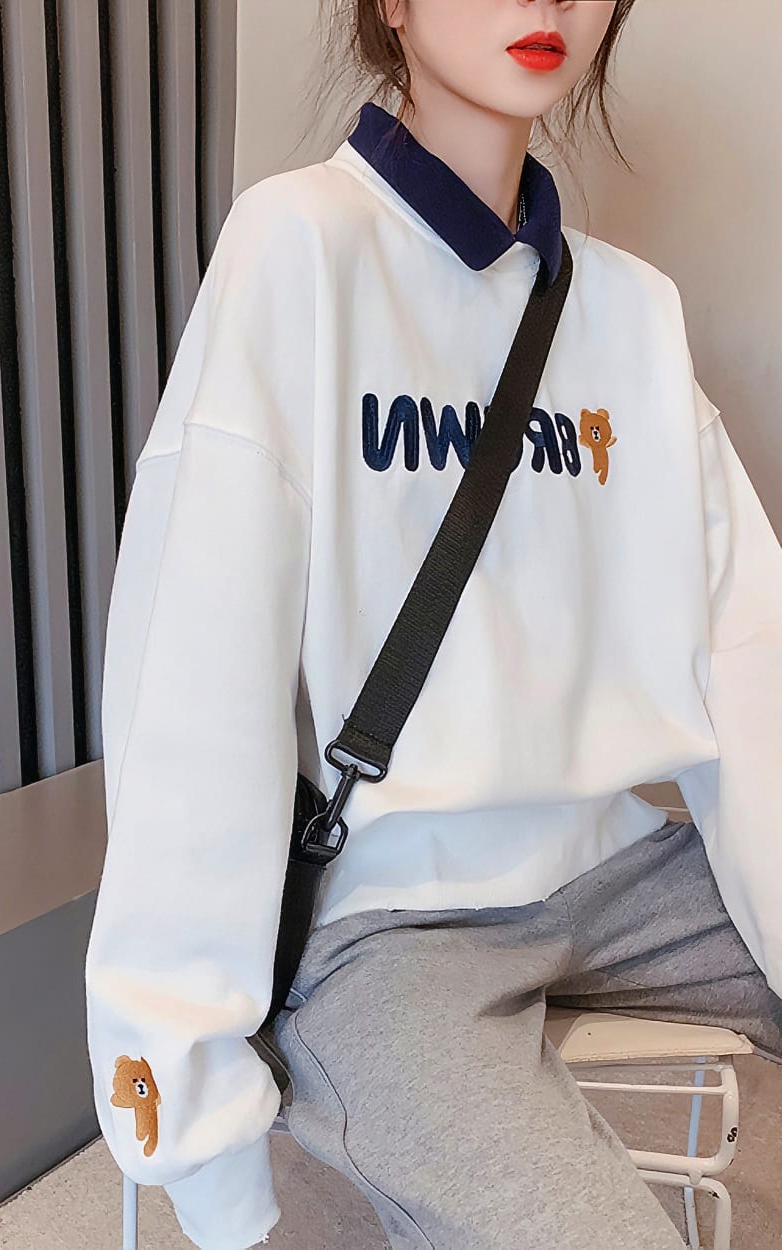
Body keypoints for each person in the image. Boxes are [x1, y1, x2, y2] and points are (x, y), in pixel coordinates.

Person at [84, 2, 782, 1247]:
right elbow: (194, 668)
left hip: (619, 870)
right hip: (392, 917)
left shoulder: (631, 308)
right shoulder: (299, 245)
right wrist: (186, 1103)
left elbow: (750, 650)